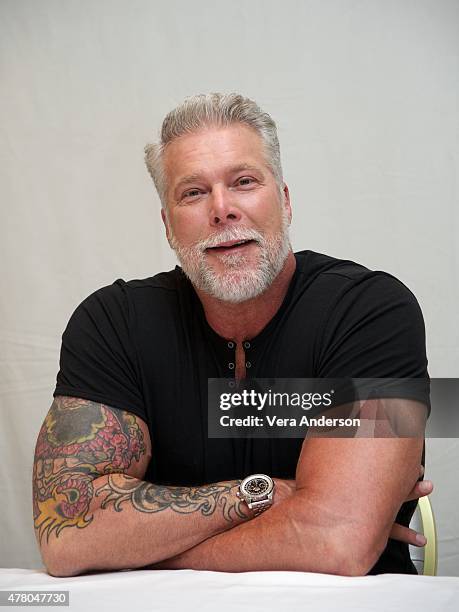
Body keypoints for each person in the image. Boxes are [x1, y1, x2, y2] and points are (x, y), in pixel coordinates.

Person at [33, 93, 432, 578]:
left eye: (244, 182)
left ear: (284, 200)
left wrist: (139, 548)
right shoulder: (111, 323)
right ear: (167, 223)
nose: (222, 210)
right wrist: (269, 492)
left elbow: (337, 541)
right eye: (193, 193)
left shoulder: (371, 311)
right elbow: (67, 533)